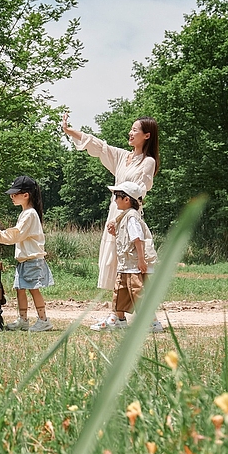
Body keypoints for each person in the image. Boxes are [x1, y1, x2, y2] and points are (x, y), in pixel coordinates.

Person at [60, 111, 158, 299]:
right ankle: (118, 313)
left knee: (129, 262)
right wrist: (68, 130)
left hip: (129, 216)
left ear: (147, 135)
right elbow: (98, 145)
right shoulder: (123, 156)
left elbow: (137, 194)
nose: (130, 133)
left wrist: (120, 218)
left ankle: (137, 314)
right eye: (131, 129)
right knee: (115, 262)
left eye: (135, 130)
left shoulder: (148, 162)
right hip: (116, 212)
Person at [0, 176, 54, 332]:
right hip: (25, 260)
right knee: (20, 288)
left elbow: (16, 235)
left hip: (32, 260)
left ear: (26, 195)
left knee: (33, 288)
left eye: (15, 194)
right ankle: (23, 320)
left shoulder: (29, 214)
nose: (12, 197)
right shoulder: (26, 213)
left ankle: (44, 320)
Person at [91, 181, 156, 331]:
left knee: (138, 292)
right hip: (126, 264)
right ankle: (118, 319)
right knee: (120, 290)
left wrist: (141, 260)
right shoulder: (125, 216)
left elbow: (137, 239)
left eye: (117, 196)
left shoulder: (132, 217)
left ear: (127, 199)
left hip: (134, 264)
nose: (115, 200)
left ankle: (150, 321)